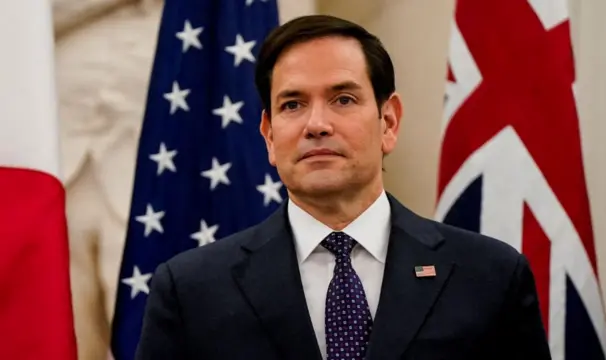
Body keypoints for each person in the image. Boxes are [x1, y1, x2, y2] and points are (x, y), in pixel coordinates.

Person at [135, 14, 551, 360]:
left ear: (388, 122)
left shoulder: (490, 277)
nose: (317, 124)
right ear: (268, 136)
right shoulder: (191, 290)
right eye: (292, 104)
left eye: (343, 99)